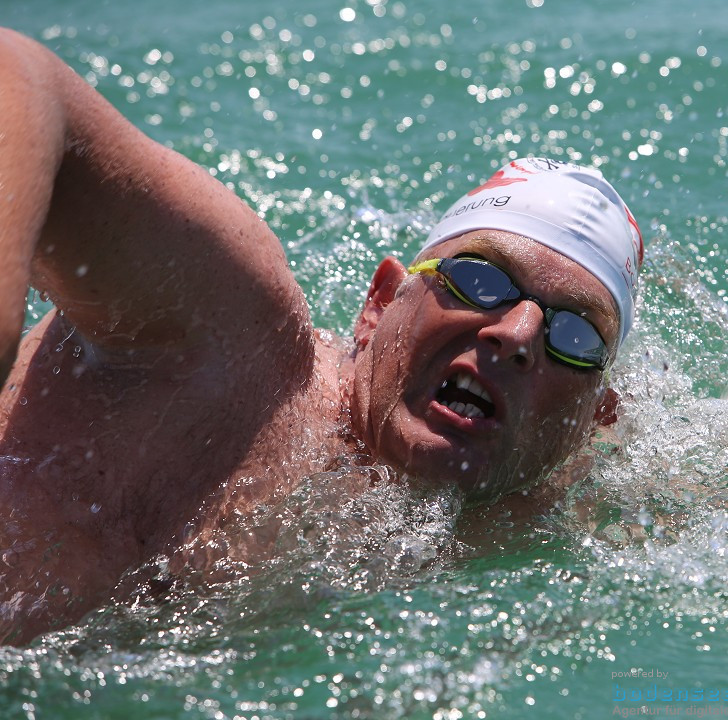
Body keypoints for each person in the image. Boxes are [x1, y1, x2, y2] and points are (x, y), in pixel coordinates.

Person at [0, 28, 643, 644]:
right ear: (380, 304)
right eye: (479, 278)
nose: (517, 332)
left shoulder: (533, 525)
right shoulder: (232, 340)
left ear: (590, 422)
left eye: (577, 336)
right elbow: (22, 76)